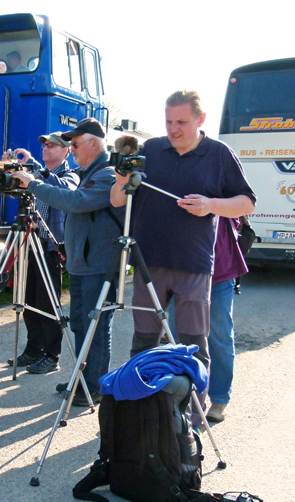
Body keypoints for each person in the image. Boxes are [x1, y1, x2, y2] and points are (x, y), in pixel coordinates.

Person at [109, 90, 255, 419]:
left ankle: (192, 420)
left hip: (194, 266)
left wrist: (211, 206)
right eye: (168, 121)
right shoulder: (151, 150)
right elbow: (118, 201)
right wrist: (121, 178)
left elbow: (247, 202)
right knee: (144, 343)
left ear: (201, 120)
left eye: (182, 122)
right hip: (148, 265)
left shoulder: (219, 154)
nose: (173, 129)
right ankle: (141, 415)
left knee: (192, 346)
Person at [12, 118, 124, 406]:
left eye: (74, 144)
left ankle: (94, 386)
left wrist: (33, 185)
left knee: (95, 326)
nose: (71, 149)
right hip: (82, 261)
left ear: (94, 144)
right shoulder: (89, 172)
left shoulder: (107, 175)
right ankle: (83, 379)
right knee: (80, 326)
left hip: (99, 264)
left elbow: (75, 202)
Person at [5, 133, 78, 374]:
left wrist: (35, 171)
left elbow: (62, 186)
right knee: (28, 300)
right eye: (44, 146)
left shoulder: (71, 174)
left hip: (50, 245)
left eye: (51, 146)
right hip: (29, 242)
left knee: (48, 303)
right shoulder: (39, 172)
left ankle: (52, 355)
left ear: (66, 151)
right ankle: (33, 349)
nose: (45, 149)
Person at [167, 217, 249, 423]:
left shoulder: (221, 185)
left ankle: (219, 399)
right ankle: (182, 397)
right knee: (177, 337)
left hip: (219, 271)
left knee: (218, 336)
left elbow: (244, 205)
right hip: (181, 270)